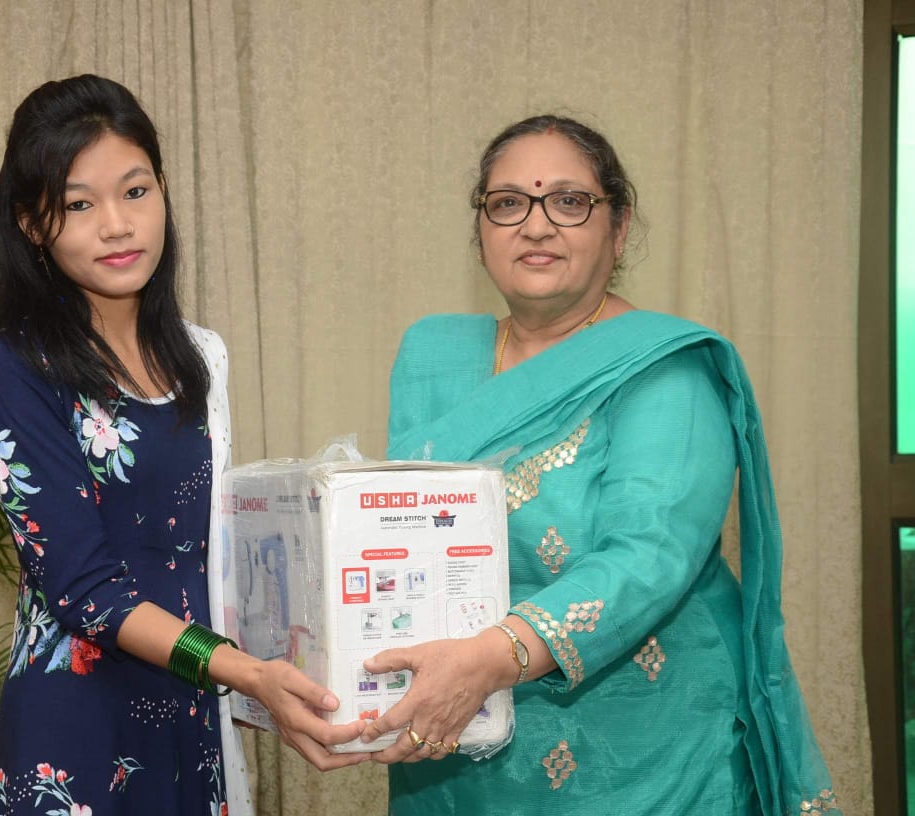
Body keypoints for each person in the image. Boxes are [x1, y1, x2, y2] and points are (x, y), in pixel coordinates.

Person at [358, 115, 840, 815]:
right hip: (459, 733)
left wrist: (491, 658)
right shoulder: (435, 357)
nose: (536, 225)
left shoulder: (665, 369)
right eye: (508, 203)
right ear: (482, 229)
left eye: (569, 201)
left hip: (646, 747)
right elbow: (403, 538)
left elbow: (649, 555)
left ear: (618, 228)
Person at [0, 74, 365, 816]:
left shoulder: (201, 356)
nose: (117, 224)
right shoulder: (16, 366)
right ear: (31, 223)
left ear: (164, 192)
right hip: (77, 732)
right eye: (79, 205)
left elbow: (217, 549)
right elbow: (84, 589)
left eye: (135, 191)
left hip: (192, 711)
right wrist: (244, 672)